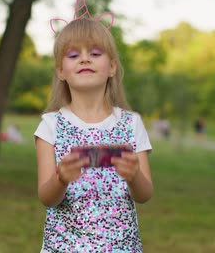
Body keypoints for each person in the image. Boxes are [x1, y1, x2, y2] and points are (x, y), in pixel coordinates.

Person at [33, 18, 153, 252]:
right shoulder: (50, 125)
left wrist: (134, 175)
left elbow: (145, 194)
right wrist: (61, 178)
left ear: (112, 67)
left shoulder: (131, 124)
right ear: (60, 71)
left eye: (95, 53)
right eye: (73, 55)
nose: (85, 58)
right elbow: (47, 198)